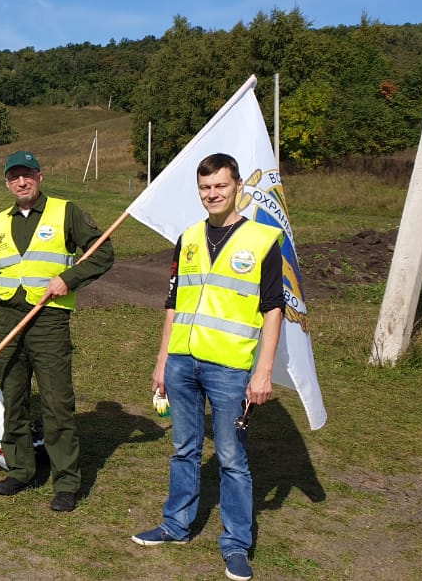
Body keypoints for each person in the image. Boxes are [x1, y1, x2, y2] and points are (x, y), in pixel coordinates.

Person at [131, 153, 284, 581]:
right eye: (205, 188)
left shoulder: (262, 240)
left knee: (232, 458)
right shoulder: (189, 237)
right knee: (184, 448)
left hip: (230, 368)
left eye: (219, 185)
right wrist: (162, 360)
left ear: (237, 186)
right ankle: (176, 526)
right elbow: (173, 303)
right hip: (182, 363)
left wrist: (264, 370)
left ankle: (236, 545)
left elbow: (273, 310)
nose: (212, 194)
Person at [0, 150, 113, 512]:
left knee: (57, 403)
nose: (20, 182)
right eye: (13, 177)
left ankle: (66, 481)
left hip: (48, 321)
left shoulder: (65, 212)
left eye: (27, 175)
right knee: (13, 399)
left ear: (40, 176)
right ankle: (21, 469)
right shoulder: (1, 221)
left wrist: (68, 279)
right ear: (7, 182)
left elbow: (102, 253)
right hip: (7, 321)